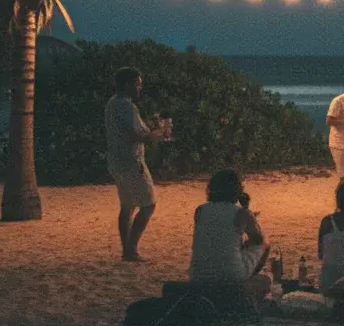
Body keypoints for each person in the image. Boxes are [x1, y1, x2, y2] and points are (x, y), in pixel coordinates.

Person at [106, 67, 171, 262]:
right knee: (148, 205)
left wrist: (152, 133)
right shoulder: (127, 106)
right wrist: (159, 135)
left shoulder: (112, 103)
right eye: (138, 84)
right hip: (132, 162)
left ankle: (127, 250)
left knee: (127, 206)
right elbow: (137, 135)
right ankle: (131, 249)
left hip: (117, 161)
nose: (140, 88)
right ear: (128, 84)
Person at [188, 170, 270, 298]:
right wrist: (246, 209)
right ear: (238, 190)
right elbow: (258, 239)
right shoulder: (242, 213)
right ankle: (248, 282)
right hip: (231, 277)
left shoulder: (200, 210)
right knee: (265, 243)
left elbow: (219, 231)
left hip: (198, 276)